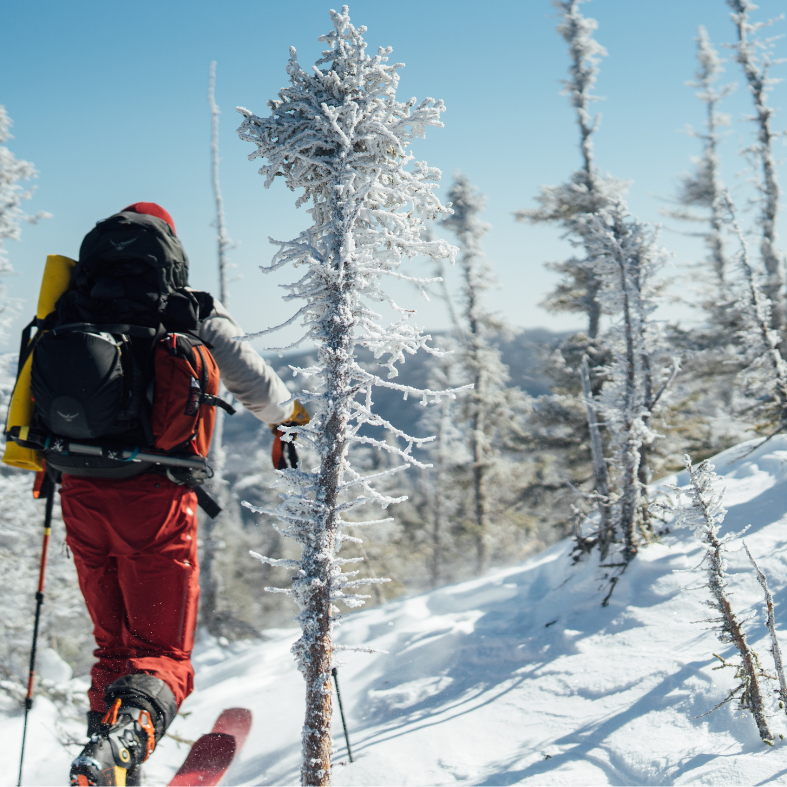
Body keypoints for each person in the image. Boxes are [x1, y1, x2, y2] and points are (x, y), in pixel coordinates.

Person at [61, 203, 302, 786]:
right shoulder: (185, 308)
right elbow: (253, 381)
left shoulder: (70, 304)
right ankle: (124, 743)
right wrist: (290, 419)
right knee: (161, 653)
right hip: (155, 497)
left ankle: (109, 762)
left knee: (113, 646)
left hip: (79, 494)